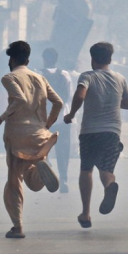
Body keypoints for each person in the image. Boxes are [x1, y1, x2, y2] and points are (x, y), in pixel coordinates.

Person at [0, 41, 63, 239]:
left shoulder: (9, 77)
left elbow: (19, 99)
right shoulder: (40, 77)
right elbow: (58, 102)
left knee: (15, 180)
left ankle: (17, 226)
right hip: (40, 135)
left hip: (17, 135)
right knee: (32, 174)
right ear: (28, 59)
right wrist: (48, 124)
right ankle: (41, 168)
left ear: (11, 60)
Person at [64, 41, 128, 228]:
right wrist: (110, 102)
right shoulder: (120, 78)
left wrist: (71, 114)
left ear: (92, 59)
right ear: (110, 59)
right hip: (112, 132)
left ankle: (86, 213)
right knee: (106, 170)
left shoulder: (88, 76)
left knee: (86, 169)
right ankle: (109, 186)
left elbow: (80, 95)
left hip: (90, 132)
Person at [40, 47, 74, 193]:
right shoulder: (65, 74)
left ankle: (46, 168)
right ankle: (64, 179)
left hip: (45, 120)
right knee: (63, 150)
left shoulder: (39, 75)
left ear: (44, 59)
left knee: (43, 148)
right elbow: (71, 97)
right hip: (63, 119)